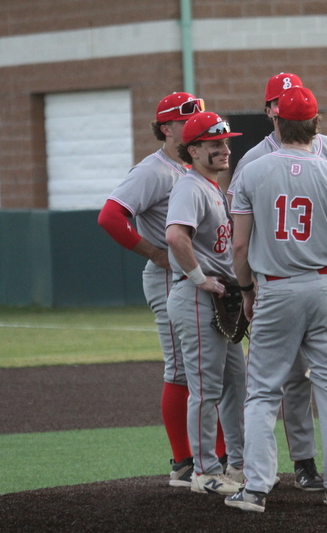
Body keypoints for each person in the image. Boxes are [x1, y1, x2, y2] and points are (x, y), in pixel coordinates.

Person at [226, 72, 327, 490]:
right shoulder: (255, 159)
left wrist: (249, 284)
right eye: (276, 98)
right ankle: (307, 462)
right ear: (270, 109)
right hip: (300, 278)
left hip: (316, 280)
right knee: (296, 377)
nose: (280, 105)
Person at [97, 92, 225, 487]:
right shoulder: (153, 171)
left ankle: (219, 455)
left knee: (208, 370)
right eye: (185, 121)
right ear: (166, 128)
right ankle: (184, 462)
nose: (193, 126)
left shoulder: (194, 168)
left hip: (196, 274)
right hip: (171, 277)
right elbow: (110, 216)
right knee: (183, 371)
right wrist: (154, 253)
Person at [164, 111, 247, 496]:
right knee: (206, 389)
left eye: (225, 142)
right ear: (193, 149)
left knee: (236, 383)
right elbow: (176, 237)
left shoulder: (210, 186)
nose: (224, 149)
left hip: (220, 298)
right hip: (196, 296)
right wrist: (200, 278)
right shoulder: (190, 187)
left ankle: (238, 463)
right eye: (214, 144)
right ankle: (204, 471)